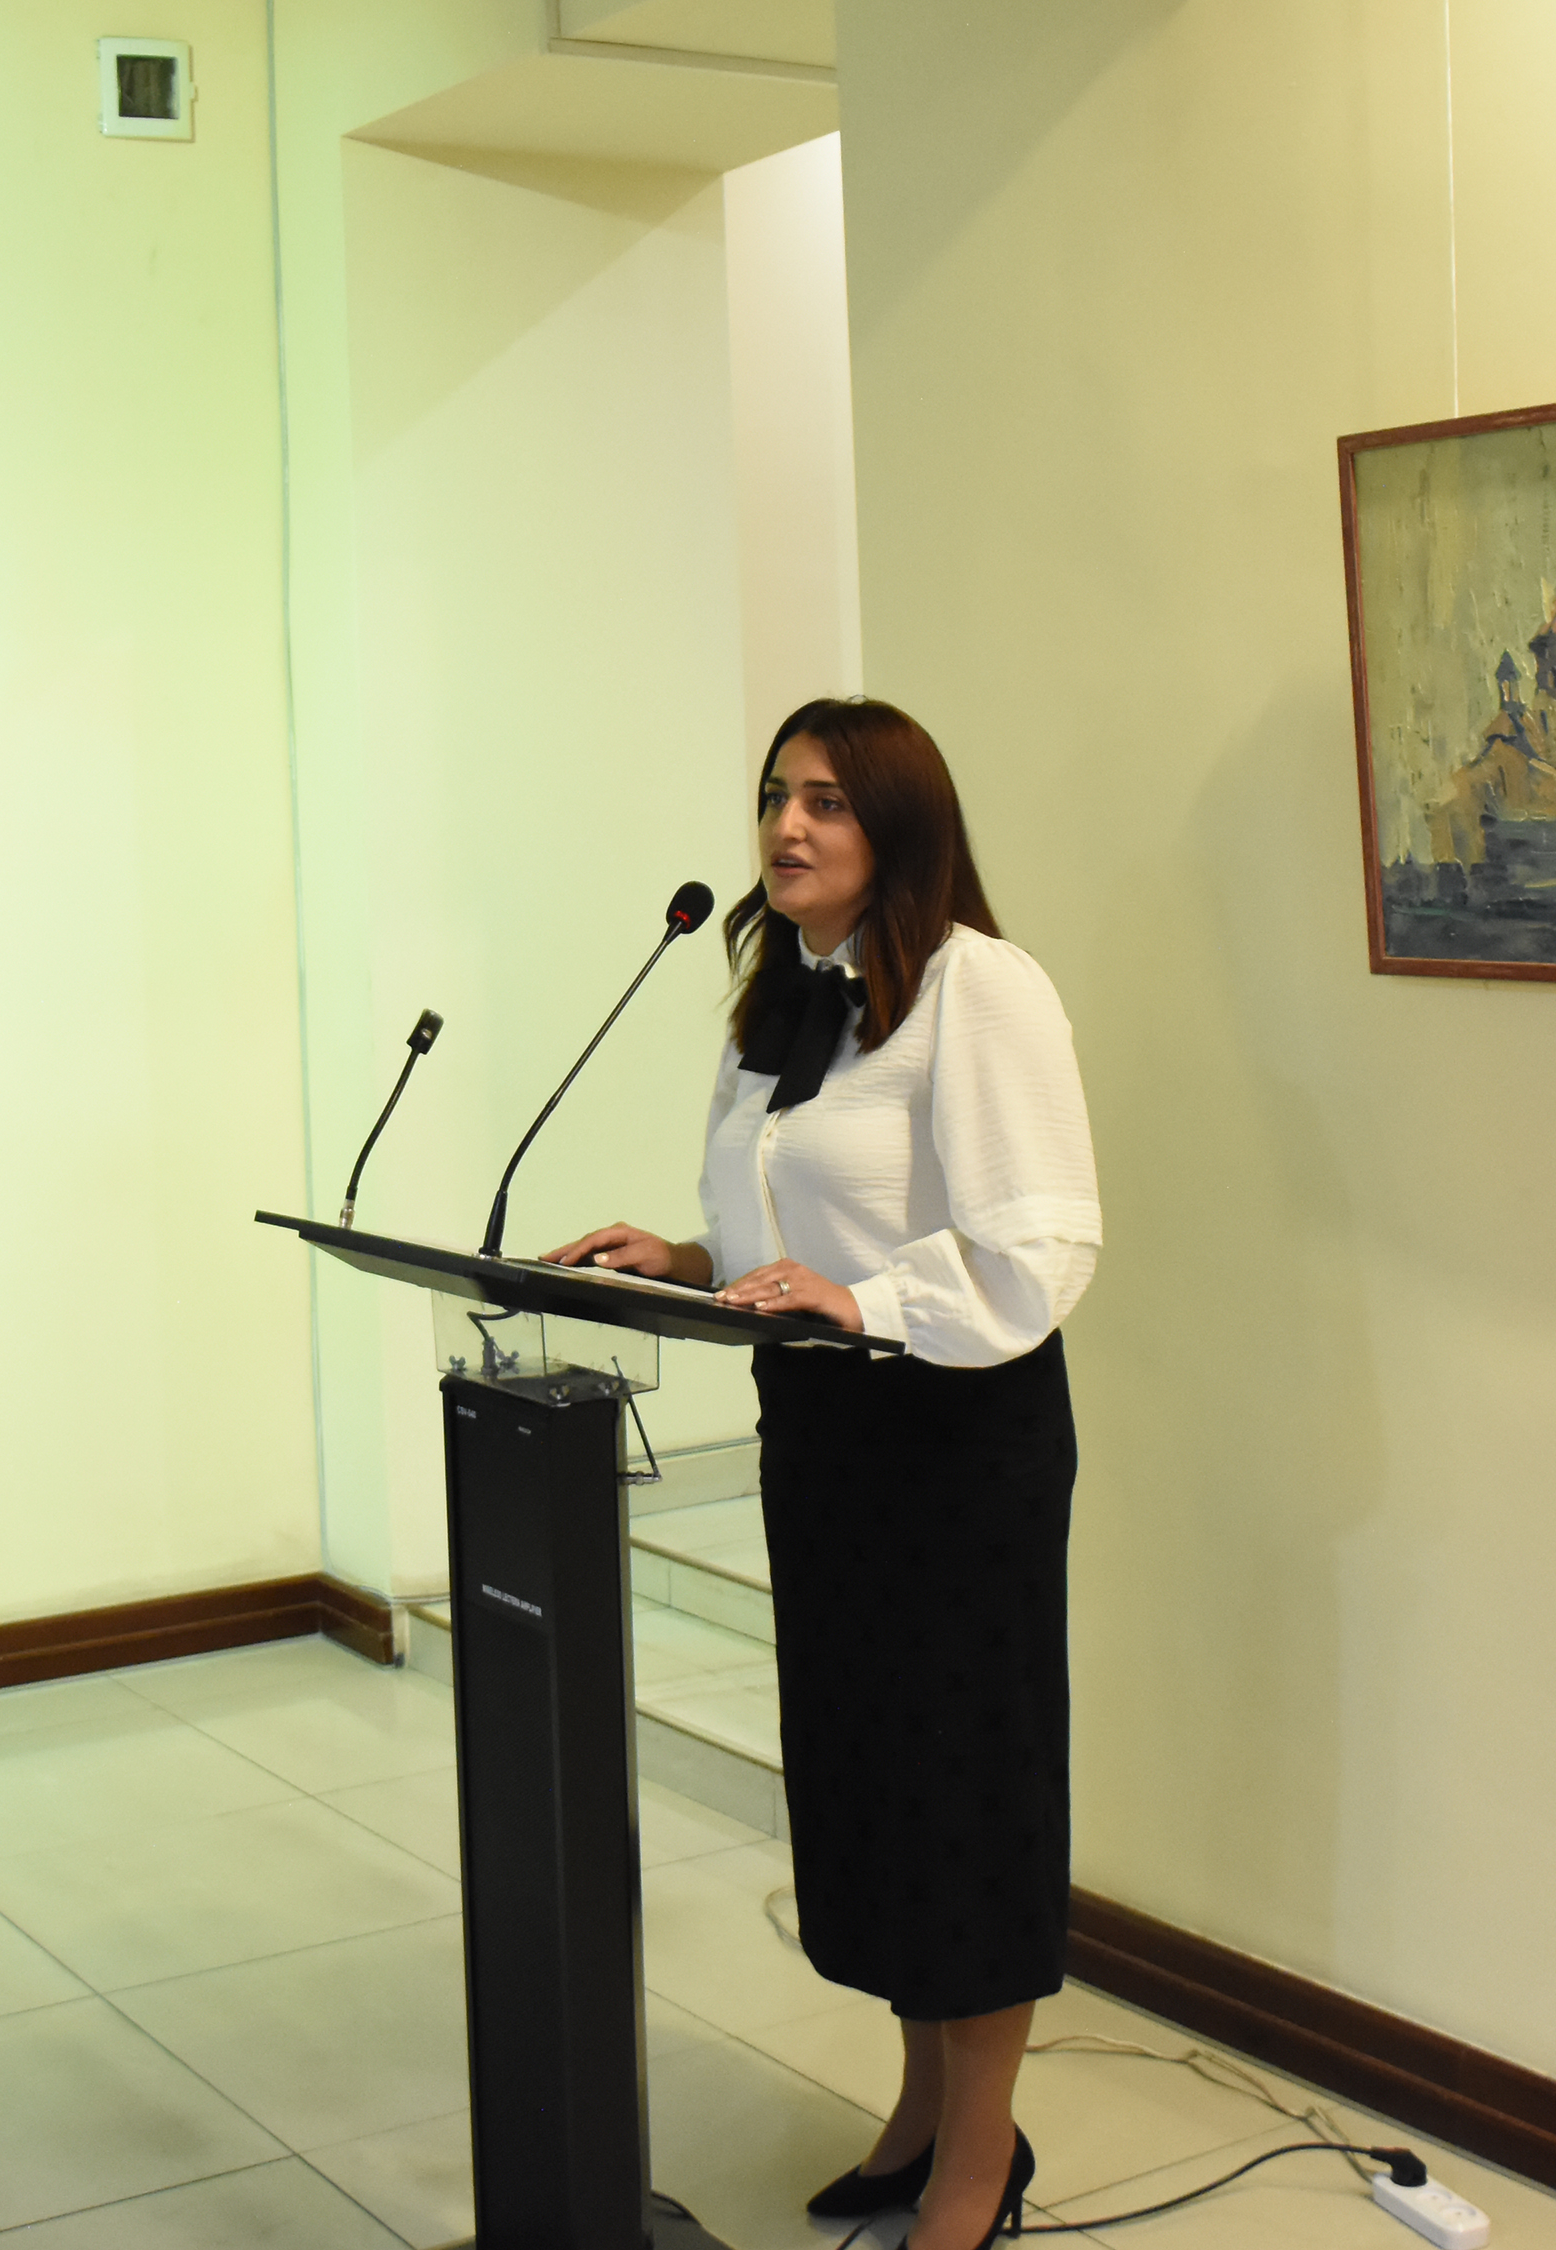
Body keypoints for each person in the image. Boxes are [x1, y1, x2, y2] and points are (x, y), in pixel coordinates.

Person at [550, 696, 1097, 2250]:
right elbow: (803, 1227)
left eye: (829, 803)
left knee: (966, 1795)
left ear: (899, 830)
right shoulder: (785, 1001)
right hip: (826, 1438)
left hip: (954, 1442)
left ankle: (979, 2158)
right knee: (874, 1788)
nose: (787, 826)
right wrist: (689, 1255)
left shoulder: (980, 988)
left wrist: (865, 1300)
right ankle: (921, 2108)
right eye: (776, 795)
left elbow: (1040, 1240)